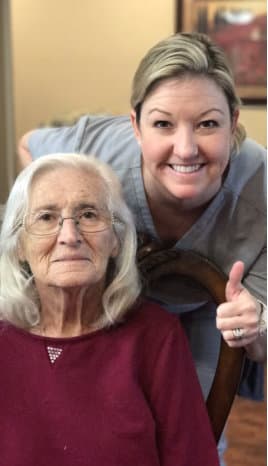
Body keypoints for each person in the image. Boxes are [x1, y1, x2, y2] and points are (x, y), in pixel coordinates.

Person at [18, 32, 266, 462]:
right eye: (162, 124)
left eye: (208, 123)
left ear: (233, 122)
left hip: (207, 314)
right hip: (108, 298)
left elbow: (258, 340)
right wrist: (73, 211)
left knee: (197, 436)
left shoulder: (261, 194)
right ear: (134, 125)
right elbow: (29, 146)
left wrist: (255, 324)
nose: (185, 148)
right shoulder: (99, 150)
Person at [0, 153, 219, 466]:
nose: (69, 236)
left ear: (116, 239)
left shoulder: (155, 336)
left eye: (89, 215)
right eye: (46, 217)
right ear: (20, 244)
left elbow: (192, 458)